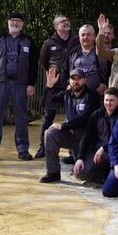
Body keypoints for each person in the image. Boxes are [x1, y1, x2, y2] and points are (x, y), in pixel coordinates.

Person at [0, 12, 38, 162]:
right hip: (0, 83)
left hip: (21, 83)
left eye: (18, 21)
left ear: (22, 24)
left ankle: (23, 149)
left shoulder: (28, 41)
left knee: (21, 117)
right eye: (12, 21)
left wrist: (31, 83)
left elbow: (33, 65)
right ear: (8, 22)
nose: (15, 23)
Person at [40, 67, 102, 183]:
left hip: (87, 140)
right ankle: (53, 172)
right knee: (50, 133)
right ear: (69, 81)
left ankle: (99, 173)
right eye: (73, 78)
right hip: (70, 136)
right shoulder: (66, 94)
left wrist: (63, 126)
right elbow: (47, 104)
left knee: (83, 174)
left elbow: (84, 119)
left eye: (79, 78)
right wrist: (49, 87)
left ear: (85, 80)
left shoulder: (93, 95)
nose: (76, 81)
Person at [37, 15, 77, 158]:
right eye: (62, 21)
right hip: (54, 85)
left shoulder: (76, 40)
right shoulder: (48, 43)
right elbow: (44, 61)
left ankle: (73, 149)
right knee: (48, 116)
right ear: (56, 27)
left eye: (67, 20)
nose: (66, 23)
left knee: (73, 117)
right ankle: (43, 147)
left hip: (73, 84)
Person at [76, 88, 118, 184]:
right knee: (81, 172)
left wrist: (104, 148)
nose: (108, 103)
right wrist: (80, 158)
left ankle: (108, 175)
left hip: (115, 152)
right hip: (97, 152)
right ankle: (102, 175)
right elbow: (86, 136)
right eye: (106, 100)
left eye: (112, 100)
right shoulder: (97, 114)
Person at [62, 24, 109, 97]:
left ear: (94, 36)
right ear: (79, 37)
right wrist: (68, 84)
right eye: (83, 35)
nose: (85, 37)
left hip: (97, 95)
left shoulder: (103, 52)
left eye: (88, 35)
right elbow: (64, 71)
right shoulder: (71, 53)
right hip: (76, 95)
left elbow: (112, 71)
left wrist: (106, 85)